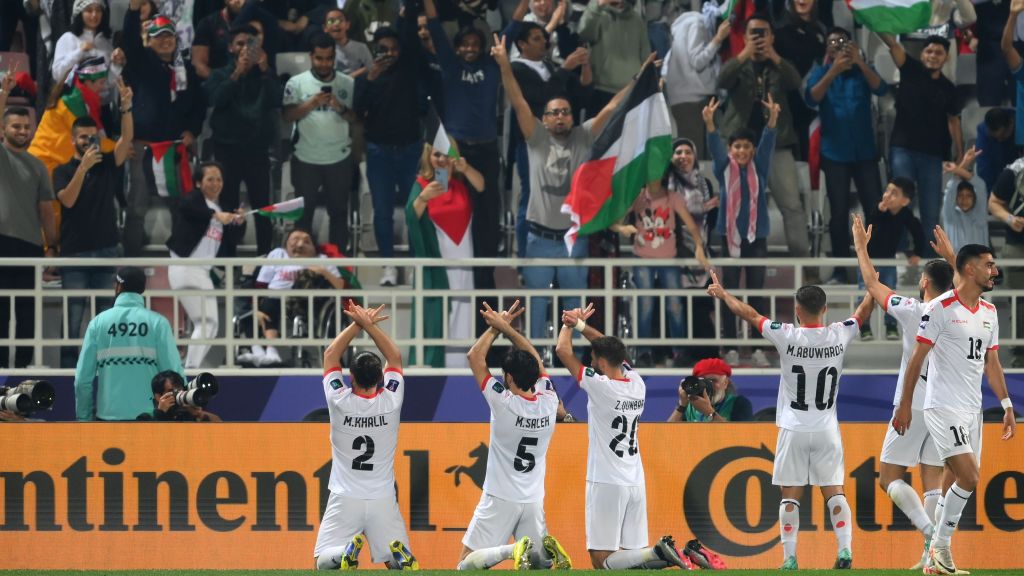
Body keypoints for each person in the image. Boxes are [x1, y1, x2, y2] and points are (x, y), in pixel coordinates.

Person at [706, 273, 873, 569]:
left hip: (794, 428)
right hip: (826, 429)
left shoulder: (786, 335)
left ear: (797, 311)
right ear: (825, 309)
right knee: (834, 490)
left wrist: (723, 294)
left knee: (790, 495)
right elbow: (863, 311)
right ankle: (845, 550)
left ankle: (790, 559)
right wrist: (873, 286)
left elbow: (750, 314)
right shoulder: (840, 333)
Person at [494, 35, 645, 339]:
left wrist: (640, 79)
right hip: (537, 238)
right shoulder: (535, 136)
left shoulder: (583, 136)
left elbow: (614, 106)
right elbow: (518, 100)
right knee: (535, 306)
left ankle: (573, 360)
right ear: (545, 119)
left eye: (565, 111)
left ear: (572, 117)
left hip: (572, 239)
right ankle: (533, 366)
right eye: (554, 112)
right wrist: (503, 65)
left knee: (575, 310)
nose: (560, 116)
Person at [893, 244, 1016, 575]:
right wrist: (905, 405)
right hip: (941, 407)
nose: (995, 270)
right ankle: (941, 548)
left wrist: (1006, 404)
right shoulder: (939, 308)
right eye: (989, 265)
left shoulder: (989, 313)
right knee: (970, 476)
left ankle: (935, 561)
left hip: (971, 411)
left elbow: (992, 363)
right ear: (971, 270)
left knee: (952, 487)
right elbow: (916, 360)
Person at [853, 216, 956, 570]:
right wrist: (953, 258)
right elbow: (972, 285)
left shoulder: (915, 310)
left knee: (888, 477)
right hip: (944, 405)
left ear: (924, 281)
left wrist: (861, 248)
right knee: (932, 479)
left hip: (913, 402)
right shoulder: (959, 311)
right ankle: (933, 558)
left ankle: (930, 534)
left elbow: (870, 282)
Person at [554, 303, 688, 570]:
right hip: (635, 481)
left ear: (601, 362)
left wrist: (568, 324)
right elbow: (608, 347)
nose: (591, 360)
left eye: (594, 358)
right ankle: (663, 553)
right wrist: (581, 325)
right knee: (634, 559)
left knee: (601, 560)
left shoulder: (600, 386)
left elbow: (562, 350)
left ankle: (657, 551)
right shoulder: (637, 384)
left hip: (606, 481)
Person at [458, 300, 572, 570]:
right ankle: (544, 554)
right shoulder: (549, 400)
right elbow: (535, 358)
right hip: (532, 499)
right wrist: (507, 328)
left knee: (464, 565)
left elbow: (475, 356)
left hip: (499, 497)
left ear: (508, 378)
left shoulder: (503, 402)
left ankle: (512, 549)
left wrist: (496, 328)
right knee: (538, 568)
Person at [313, 302, 419, 571]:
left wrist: (357, 323)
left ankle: (342, 554)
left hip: (345, 496)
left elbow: (329, 356)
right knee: (400, 566)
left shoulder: (339, 400)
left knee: (322, 561)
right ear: (381, 377)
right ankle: (397, 555)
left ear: (350, 377)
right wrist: (370, 326)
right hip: (382, 497)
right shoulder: (391, 401)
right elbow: (395, 357)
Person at [716, 13, 811, 266]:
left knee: (792, 206)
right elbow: (722, 80)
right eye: (753, 33)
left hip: (776, 144)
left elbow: (795, 83)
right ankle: (737, 264)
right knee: (735, 206)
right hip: (740, 149)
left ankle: (804, 269)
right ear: (745, 37)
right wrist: (744, 54)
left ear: (772, 37)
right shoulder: (738, 63)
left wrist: (775, 57)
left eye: (763, 33)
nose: (758, 38)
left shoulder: (780, 64)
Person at [53, 81, 134, 369]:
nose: (89, 141)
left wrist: (126, 108)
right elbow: (68, 201)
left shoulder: (107, 164)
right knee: (72, 316)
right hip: (74, 253)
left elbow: (126, 142)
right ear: (73, 139)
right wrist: (83, 168)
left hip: (106, 249)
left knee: (104, 316)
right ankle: (66, 369)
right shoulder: (63, 170)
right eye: (83, 137)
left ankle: (104, 367)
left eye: (92, 136)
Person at [424, 0, 502, 293]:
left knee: (486, 216)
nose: (469, 48)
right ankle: (447, 274)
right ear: (456, 48)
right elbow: (434, 27)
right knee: (447, 203)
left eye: (474, 44)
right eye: (464, 44)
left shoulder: (491, 68)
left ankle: (485, 283)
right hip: (452, 150)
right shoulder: (450, 64)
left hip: (486, 150)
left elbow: (513, 29)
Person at [121, 3, 207, 255]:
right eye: (159, 37)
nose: (165, 41)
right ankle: (129, 261)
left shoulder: (186, 70)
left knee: (180, 205)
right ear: (150, 41)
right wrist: (133, 11)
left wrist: (193, 130)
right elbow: (129, 39)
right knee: (136, 205)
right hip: (143, 145)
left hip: (174, 148)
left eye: (169, 36)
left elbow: (199, 106)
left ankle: (181, 258)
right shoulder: (140, 63)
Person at [805, 27, 886, 283]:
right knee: (838, 213)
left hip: (864, 151)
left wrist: (860, 61)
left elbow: (881, 88)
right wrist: (833, 70)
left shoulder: (862, 70)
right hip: (834, 153)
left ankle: (874, 268)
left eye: (842, 42)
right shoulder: (821, 71)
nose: (837, 46)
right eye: (832, 43)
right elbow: (811, 97)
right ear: (827, 48)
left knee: (875, 209)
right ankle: (841, 270)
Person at [611, 160, 709, 367]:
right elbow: (613, 220)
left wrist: (699, 246)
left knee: (675, 305)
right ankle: (644, 352)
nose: (654, 175)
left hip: (668, 258)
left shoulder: (673, 197)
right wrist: (622, 229)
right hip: (643, 258)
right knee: (645, 305)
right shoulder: (637, 197)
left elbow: (691, 226)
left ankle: (679, 352)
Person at [703, 95, 777, 364]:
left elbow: (769, 144)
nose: (742, 151)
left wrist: (772, 121)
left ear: (752, 150)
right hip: (729, 236)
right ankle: (732, 345)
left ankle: (757, 347)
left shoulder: (761, 167)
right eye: (737, 147)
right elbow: (714, 148)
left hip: (757, 237)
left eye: (747, 146)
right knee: (729, 292)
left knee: (756, 292)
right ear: (731, 149)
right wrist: (710, 124)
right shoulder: (724, 168)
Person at [355, 12, 424, 287]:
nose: (390, 53)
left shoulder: (409, 70)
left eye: (395, 49)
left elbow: (408, 34)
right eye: (384, 49)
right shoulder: (366, 78)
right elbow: (357, 112)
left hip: (410, 150)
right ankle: (388, 265)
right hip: (379, 152)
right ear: (375, 50)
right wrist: (370, 79)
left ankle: (415, 263)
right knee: (382, 211)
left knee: (414, 210)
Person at [880, 32, 962, 250]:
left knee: (930, 211)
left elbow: (954, 121)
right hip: (903, 149)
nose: (933, 55)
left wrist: (960, 156)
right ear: (922, 54)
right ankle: (895, 254)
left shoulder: (949, 88)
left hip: (932, 155)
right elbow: (892, 43)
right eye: (929, 51)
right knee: (898, 203)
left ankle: (928, 264)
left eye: (939, 52)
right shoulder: (910, 68)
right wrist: (875, 21)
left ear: (946, 57)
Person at [406, 142, 484, 367]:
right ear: (428, 157)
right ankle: (438, 368)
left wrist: (465, 168)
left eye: (446, 154)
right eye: (436, 154)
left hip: (464, 262)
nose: (441, 159)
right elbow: (411, 215)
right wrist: (423, 198)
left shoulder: (460, 185)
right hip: (438, 265)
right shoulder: (422, 184)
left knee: (463, 314)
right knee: (437, 317)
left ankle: (461, 367)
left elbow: (481, 185)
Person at [206, 23, 282, 257]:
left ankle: (264, 262)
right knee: (228, 207)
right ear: (230, 47)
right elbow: (217, 100)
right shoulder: (220, 74)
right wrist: (237, 72)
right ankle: (227, 261)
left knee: (262, 208)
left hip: (257, 150)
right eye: (239, 43)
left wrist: (266, 70)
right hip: (227, 150)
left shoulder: (266, 75)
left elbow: (276, 100)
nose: (244, 48)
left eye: (250, 44)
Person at [0, 77, 59, 369]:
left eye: (26, 127)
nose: (22, 131)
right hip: (2, 244)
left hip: (30, 247)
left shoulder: (38, 166)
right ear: (3, 129)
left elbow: (46, 210)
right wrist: (4, 93)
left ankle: (21, 370)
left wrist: (51, 246)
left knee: (27, 314)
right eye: (16, 126)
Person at [75, 266, 184, 421]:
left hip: (107, 419)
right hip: (150, 419)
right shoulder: (158, 323)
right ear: (143, 289)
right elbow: (175, 374)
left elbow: (82, 380)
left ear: (118, 286)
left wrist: (83, 419)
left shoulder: (98, 323)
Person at [283, 33, 357, 257]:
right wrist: (312, 102)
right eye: (319, 58)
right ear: (311, 57)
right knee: (304, 215)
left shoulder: (347, 83)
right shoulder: (296, 83)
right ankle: (301, 266)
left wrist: (339, 107)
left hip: (339, 158)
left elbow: (356, 118)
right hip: (306, 158)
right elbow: (288, 115)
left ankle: (337, 267)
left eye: (329, 58)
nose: (324, 64)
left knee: (339, 212)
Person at [166, 162, 245, 369]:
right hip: (185, 268)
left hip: (204, 273)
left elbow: (232, 240)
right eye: (210, 179)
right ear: (199, 183)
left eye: (219, 179)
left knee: (211, 326)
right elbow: (187, 207)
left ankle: (192, 366)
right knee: (205, 322)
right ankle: (190, 369)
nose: (215, 183)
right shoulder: (193, 199)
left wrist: (238, 222)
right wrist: (215, 216)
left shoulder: (221, 208)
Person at [239, 228, 348, 367]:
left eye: (306, 241)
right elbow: (261, 284)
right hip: (270, 298)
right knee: (249, 309)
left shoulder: (321, 260)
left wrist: (323, 271)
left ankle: (270, 351)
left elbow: (340, 286)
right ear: (286, 243)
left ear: (314, 248)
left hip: (302, 303)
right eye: (295, 239)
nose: (300, 244)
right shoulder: (278, 254)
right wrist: (256, 308)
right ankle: (258, 352)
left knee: (271, 303)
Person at [858, 177, 926, 341]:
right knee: (864, 294)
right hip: (868, 261)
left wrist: (917, 253)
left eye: (894, 193)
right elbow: (870, 223)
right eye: (887, 190)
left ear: (905, 201)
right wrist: (880, 210)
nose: (887, 195)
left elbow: (918, 233)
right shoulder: (878, 209)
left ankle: (890, 325)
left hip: (889, 261)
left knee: (889, 294)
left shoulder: (905, 214)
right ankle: (864, 326)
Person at [662, 1, 730, 159]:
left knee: (695, 156)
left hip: (684, 99)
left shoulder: (683, 26)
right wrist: (718, 39)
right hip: (692, 101)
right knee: (694, 158)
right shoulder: (697, 23)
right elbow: (697, 60)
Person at [28, 56, 115, 175]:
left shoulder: (79, 99)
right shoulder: (73, 103)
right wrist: (118, 148)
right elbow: (89, 139)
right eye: (101, 82)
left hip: (47, 166)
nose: (103, 87)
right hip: (44, 167)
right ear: (88, 82)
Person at [577, 0, 650, 114]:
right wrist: (598, 4)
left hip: (630, 90)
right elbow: (584, 34)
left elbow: (645, 56)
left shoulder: (637, 20)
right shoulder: (597, 14)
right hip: (601, 89)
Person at [987, 157, 1024, 365]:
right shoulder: (1014, 170)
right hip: (1017, 246)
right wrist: (1010, 219)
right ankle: (1020, 351)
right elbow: (993, 202)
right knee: (1020, 300)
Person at [51, 0, 124, 94]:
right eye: (89, 10)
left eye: (98, 10)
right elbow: (57, 74)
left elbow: (107, 84)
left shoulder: (106, 43)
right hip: (73, 104)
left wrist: (117, 64)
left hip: (99, 105)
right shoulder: (68, 38)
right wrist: (79, 52)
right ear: (80, 13)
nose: (94, 15)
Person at [667, 357, 753, 422]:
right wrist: (681, 406)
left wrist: (708, 412)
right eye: (703, 381)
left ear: (725, 383)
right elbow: (667, 434)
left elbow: (741, 437)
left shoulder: (739, 403)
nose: (708, 385)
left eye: (713, 380)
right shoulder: (690, 406)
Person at [941, 146, 988, 251]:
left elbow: (980, 186)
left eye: (969, 196)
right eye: (960, 196)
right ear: (955, 198)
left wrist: (960, 166)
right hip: (955, 266)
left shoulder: (980, 214)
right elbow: (951, 188)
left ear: (975, 198)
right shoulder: (950, 216)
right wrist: (964, 163)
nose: (964, 200)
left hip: (979, 266)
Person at [147, 370, 222, 422]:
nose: (177, 395)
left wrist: (199, 414)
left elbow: (220, 428)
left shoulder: (186, 415)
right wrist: (160, 413)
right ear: (158, 396)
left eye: (179, 391)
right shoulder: (146, 417)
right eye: (171, 392)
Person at [974, 107, 1016, 191]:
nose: (999, 140)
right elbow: (984, 168)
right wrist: (992, 196)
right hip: (997, 175)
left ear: (1011, 124)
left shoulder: (1021, 126)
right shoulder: (983, 132)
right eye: (995, 138)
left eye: (1003, 136)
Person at [323, 8, 373, 77]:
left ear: (347, 25)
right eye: (331, 21)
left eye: (340, 20)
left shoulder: (361, 47)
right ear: (325, 28)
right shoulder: (322, 50)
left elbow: (371, 68)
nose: (336, 24)